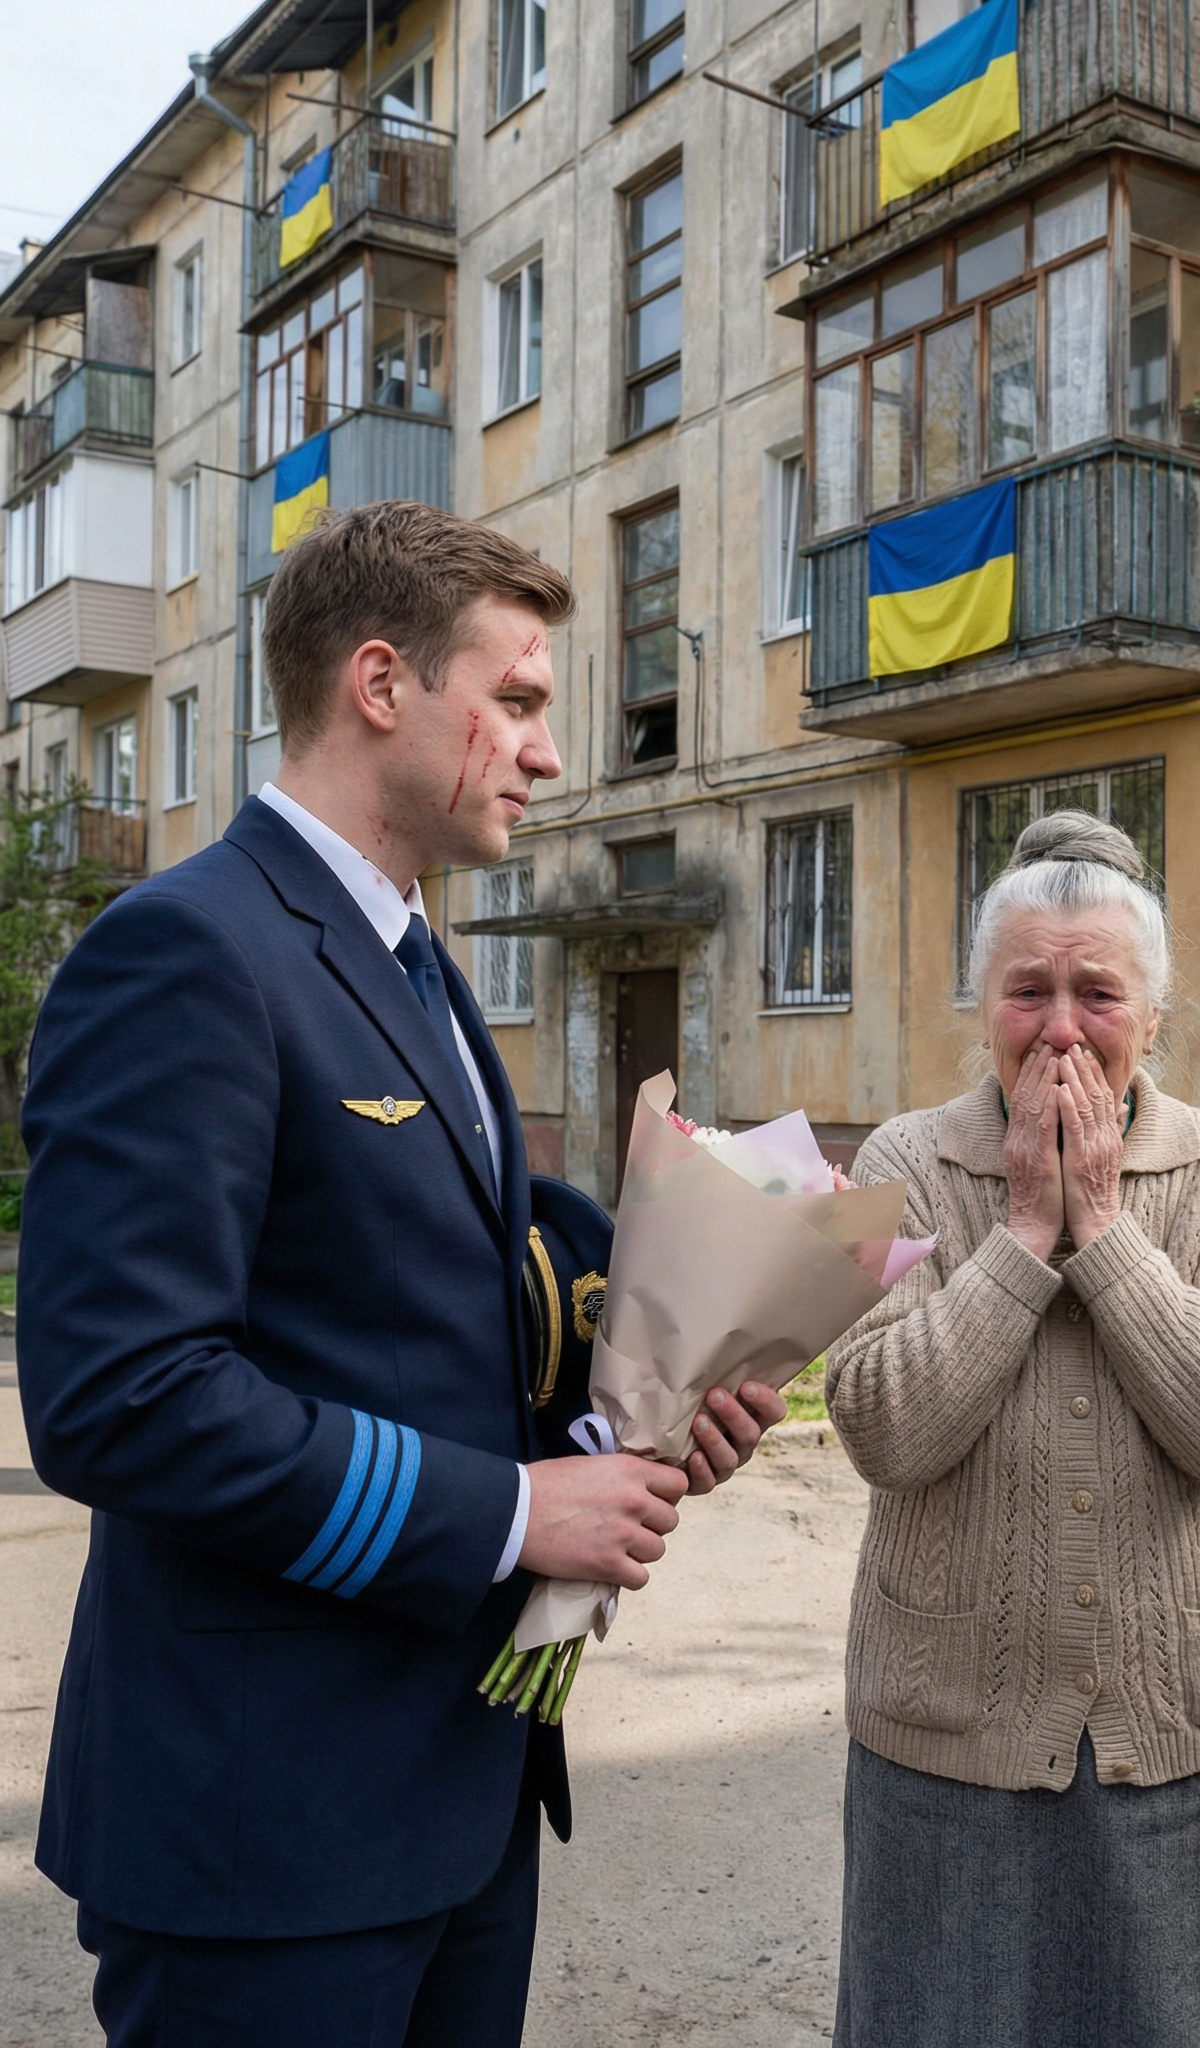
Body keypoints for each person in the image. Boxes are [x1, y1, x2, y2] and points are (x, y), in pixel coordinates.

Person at [17, 500, 785, 2048]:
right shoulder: (190, 952)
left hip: (453, 1797)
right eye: (514, 699)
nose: (548, 752)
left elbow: (411, 1323)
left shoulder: (418, 965)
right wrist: (510, 1513)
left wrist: (623, 1429)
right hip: (267, 1829)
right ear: (382, 684)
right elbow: (121, 1398)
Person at [824, 811, 1200, 2048]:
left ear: (1155, 1011)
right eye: (1025, 988)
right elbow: (879, 1423)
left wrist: (1105, 1228)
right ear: (978, 1001)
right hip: (947, 1735)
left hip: (1177, 1730)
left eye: (1097, 991)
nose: (1058, 1025)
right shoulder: (897, 1159)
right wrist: (1026, 1235)